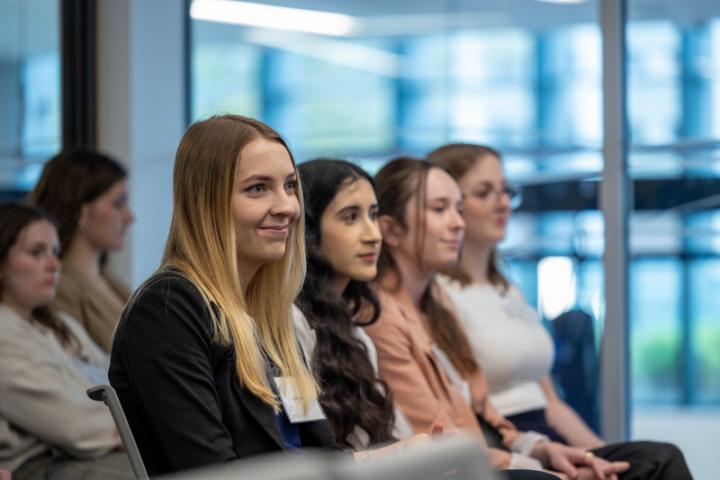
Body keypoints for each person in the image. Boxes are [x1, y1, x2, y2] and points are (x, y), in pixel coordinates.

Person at [108, 116, 425, 477]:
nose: (288, 206)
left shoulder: (270, 314)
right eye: (258, 189)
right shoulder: (168, 309)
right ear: (207, 203)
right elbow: (214, 472)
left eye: (290, 186)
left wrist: (396, 458)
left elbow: (321, 451)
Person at [429, 143, 693, 479]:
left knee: (653, 459)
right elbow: (461, 409)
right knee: (661, 460)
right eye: (485, 193)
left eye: (507, 191)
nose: (503, 203)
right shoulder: (438, 295)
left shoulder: (508, 289)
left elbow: (552, 404)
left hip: (548, 437)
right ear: (449, 204)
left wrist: (603, 454)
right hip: (506, 442)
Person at [365, 157, 630, 480]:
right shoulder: (383, 316)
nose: (457, 223)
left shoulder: (437, 308)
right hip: (464, 467)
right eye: (439, 209)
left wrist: (543, 449)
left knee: (649, 460)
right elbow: (440, 435)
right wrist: (536, 466)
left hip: (497, 453)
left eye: (458, 209)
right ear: (390, 230)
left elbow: (486, 414)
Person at [0, 202, 131, 479]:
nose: (53, 265)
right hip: (42, 464)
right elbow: (73, 427)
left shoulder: (60, 325)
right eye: (36, 252)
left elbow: (116, 383)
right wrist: (146, 424)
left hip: (97, 448)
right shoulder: (4, 332)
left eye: (55, 252)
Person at [294, 158, 413, 449]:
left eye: (373, 215)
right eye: (350, 218)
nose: (373, 235)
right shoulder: (290, 322)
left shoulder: (355, 333)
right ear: (309, 230)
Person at [30, 149, 134, 352]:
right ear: (81, 211)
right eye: (118, 203)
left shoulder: (110, 282)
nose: (129, 216)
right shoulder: (56, 288)